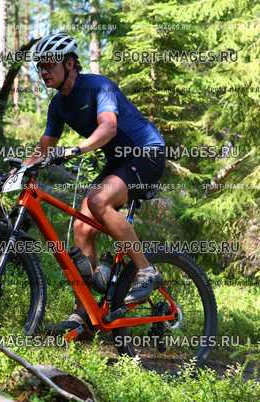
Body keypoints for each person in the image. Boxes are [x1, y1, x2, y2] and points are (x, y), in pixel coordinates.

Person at [22, 32, 166, 332]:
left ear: (70, 64)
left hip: (147, 153)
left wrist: (77, 149)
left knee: (99, 201)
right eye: (40, 66)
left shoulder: (99, 86)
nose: (43, 71)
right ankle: (84, 314)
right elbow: (44, 147)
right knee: (82, 228)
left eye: (49, 64)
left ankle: (146, 270)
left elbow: (109, 127)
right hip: (119, 162)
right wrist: (17, 170)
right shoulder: (57, 105)